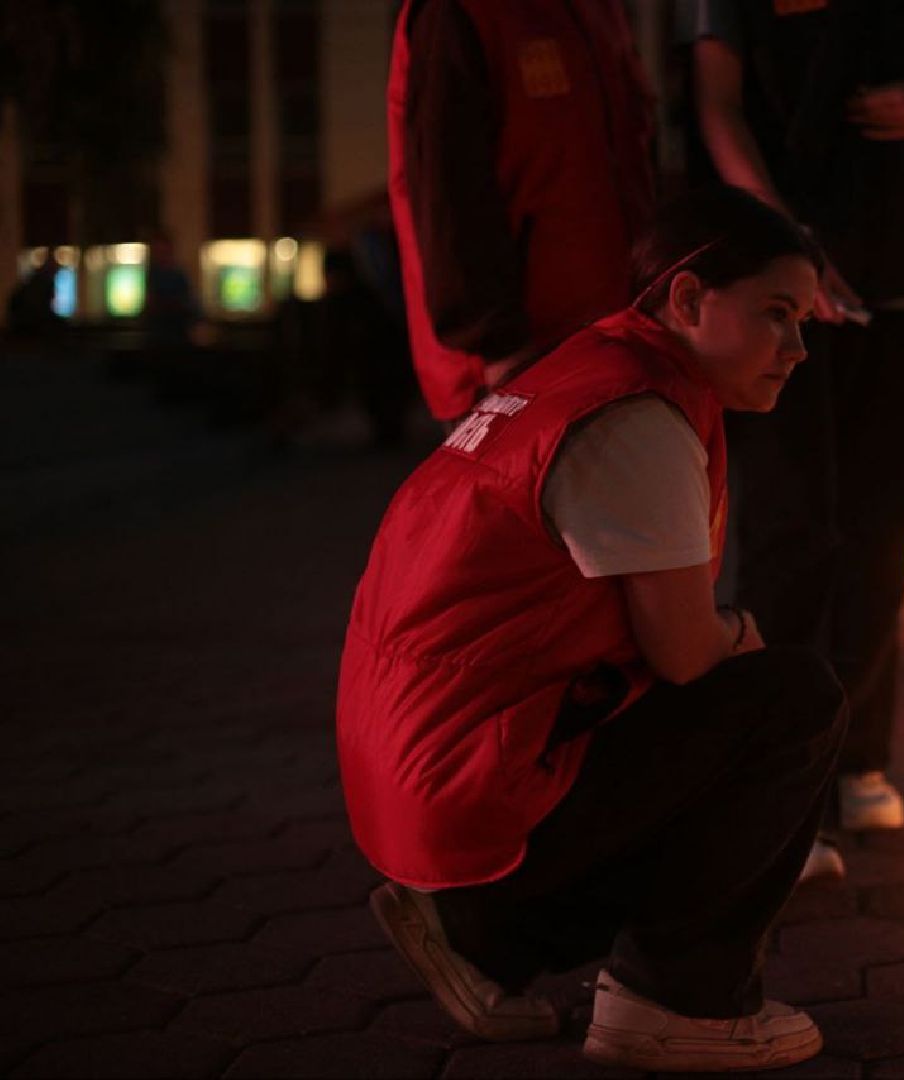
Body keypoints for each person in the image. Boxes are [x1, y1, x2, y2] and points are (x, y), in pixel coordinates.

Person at [337, 187, 846, 1073]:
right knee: (791, 701)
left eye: (802, 321)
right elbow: (687, 653)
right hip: (467, 768)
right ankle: (677, 1000)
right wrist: (744, 635)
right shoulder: (636, 419)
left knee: (725, 709)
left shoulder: (591, 371)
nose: (798, 348)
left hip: (433, 759)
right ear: (687, 301)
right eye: (776, 315)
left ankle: (481, 936)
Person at [687, 0, 904, 841]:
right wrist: (784, 240)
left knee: (879, 520)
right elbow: (715, 101)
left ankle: (857, 755)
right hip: (782, 259)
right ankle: (779, 773)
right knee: (789, 523)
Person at [388, 0, 654, 426]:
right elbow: (449, 190)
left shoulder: (599, 12)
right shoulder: (458, 12)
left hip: (611, 344)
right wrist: (496, 344)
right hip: (518, 363)